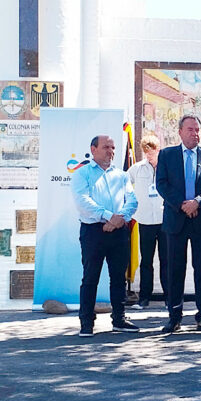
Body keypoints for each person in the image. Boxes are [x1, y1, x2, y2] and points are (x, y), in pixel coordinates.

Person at [156, 115, 201, 334]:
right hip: (176, 220)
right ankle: (174, 316)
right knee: (175, 269)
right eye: (190, 129)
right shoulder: (167, 155)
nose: (195, 133)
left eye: (197, 129)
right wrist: (182, 204)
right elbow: (162, 184)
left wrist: (197, 203)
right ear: (180, 132)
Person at [71, 135, 140, 337]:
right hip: (93, 232)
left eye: (112, 147)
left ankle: (119, 319)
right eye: (105, 147)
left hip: (119, 232)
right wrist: (109, 216)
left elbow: (132, 200)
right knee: (90, 278)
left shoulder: (122, 175)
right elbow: (82, 201)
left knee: (119, 278)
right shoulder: (82, 174)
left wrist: (120, 219)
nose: (110, 151)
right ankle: (86, 323)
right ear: (93, 149)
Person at [127, 134, 167, 309]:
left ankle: (170, 298)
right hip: (145, 220)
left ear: (158, 150)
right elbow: (124, 184)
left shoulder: (166, 167)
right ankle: (144, 298)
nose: (149, 156)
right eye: (146, 153)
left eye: (152, 152)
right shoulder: (137, 169)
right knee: (146, 261)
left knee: (166, 260)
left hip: (165, 220)